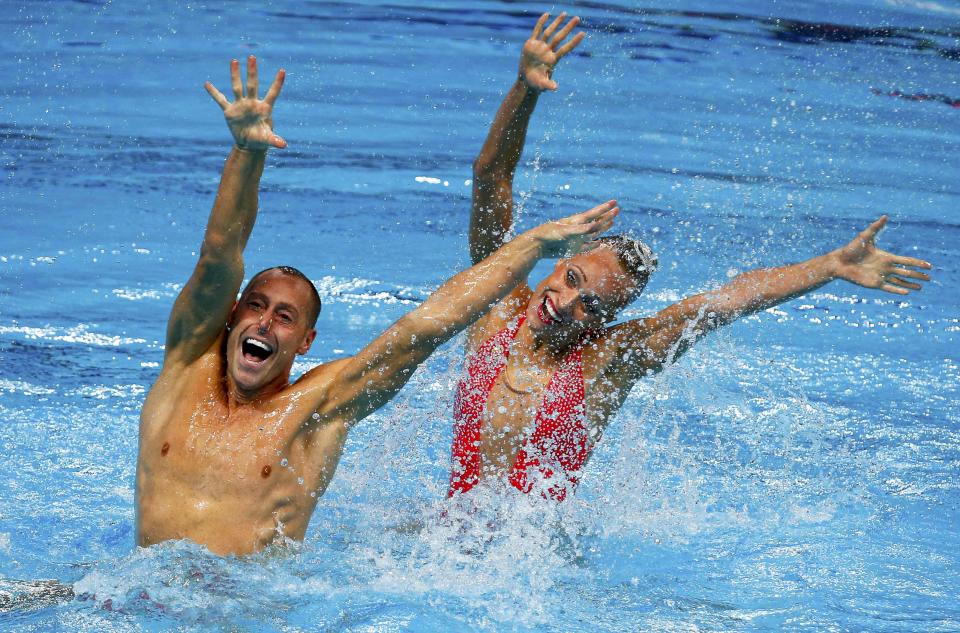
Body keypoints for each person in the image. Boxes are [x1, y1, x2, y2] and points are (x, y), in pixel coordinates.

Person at [135, 56, 620, 556]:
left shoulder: (319, 409)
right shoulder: (185, 367)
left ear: (307, 342)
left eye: (285, 317)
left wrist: (534, 244)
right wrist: (245, 154)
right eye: (255, 306)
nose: (264, 321)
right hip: (134, 601)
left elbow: (425, 327)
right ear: (231, 315)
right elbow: (219, 255)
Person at [449, 13, 934, 501]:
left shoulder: (606, 362)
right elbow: (491, 182)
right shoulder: (495, 311)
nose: (566, 300)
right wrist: (524, 90)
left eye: (592, 305)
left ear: (604, 322)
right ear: (557, 261)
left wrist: (831, 266)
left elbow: (725, 301)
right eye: (572, 277)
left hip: (536, 565)